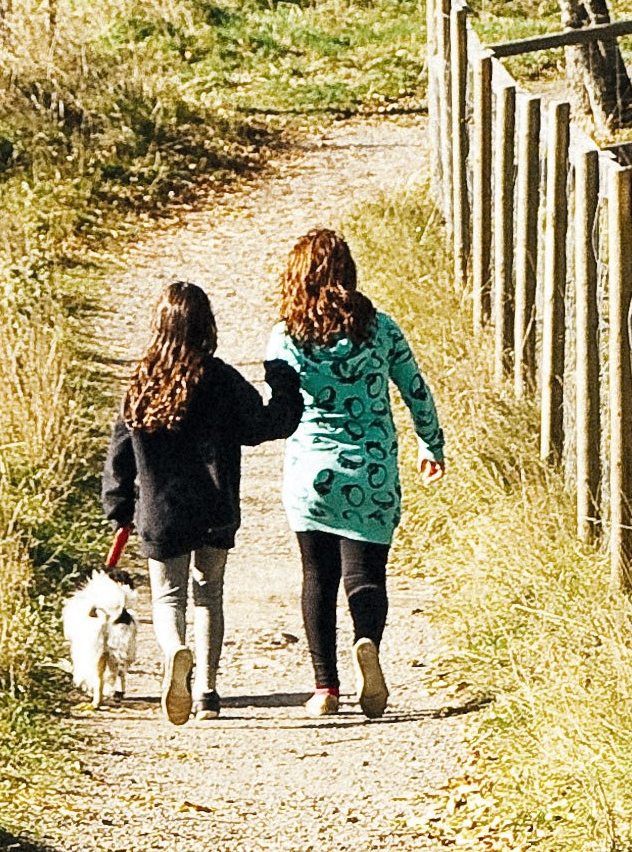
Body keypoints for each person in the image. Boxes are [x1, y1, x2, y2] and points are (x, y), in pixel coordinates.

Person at [103, 281, 301, 723]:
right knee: (209, 597)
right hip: (215, 507)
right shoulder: (221, 379)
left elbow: (119, 454)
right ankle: (209, 693)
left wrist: (118, 508)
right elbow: (267, 424)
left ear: (160, 325)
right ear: (206, 325)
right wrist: (283, 379)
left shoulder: (141, 382)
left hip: (161, 513)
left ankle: (176, 653)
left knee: (168, 599)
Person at [267, 229, 445, 717]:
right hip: (372, 471)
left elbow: (279, 403)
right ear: (348, 273)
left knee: (317, 576)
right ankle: (367, 643)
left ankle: (325, 688)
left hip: (312, 472)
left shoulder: (286, 336)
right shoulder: (381, 328)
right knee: (366, 573)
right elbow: (415, 390)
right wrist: (432, 445)